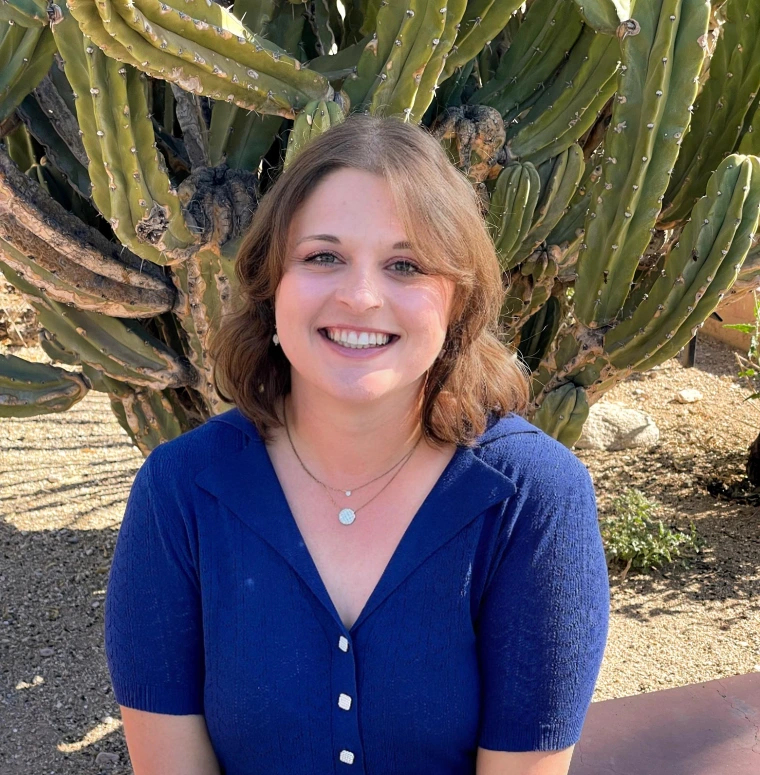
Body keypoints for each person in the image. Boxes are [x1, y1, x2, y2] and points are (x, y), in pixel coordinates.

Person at [104, 113, 610, 775]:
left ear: (457, 301)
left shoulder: (531, 501)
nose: (361, 295)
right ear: (271, 286)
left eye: (405, 264)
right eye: (323, 256)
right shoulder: (181, 491)